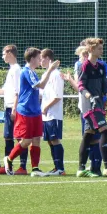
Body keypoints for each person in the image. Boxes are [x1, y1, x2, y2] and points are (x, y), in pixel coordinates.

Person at [68, 38, 107, 177]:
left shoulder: (100, 66)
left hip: (98, 104)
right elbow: (81, 86)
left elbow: (105, 86)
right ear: (91, 50)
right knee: (105, 132)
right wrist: (90, 97)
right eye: (99, 48)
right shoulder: (84, 66)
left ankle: (81, 169)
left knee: (88, 136)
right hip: (90, 106)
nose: (102, 50)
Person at [4, 47, 60, 176]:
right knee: (26, 141)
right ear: (33, 58)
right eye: (39, 58)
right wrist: (51, 69)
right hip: (26, 111)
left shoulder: (33, 72)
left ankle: (35, 168)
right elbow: (40, 85)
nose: (40, 60)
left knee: (36, 139)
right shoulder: (26, 71)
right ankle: (9, 159)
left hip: (35, 111)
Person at [0, 45, 28, 174]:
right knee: (8, 137)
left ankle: (23, 167)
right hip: (9, 107)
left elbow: (18, 91)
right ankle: (8, 166)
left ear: (10, 54)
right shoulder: (11, 69)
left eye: (4, 54)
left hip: (14, 108)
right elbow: (4, 90)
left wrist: (14, 108)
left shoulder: (17, 69)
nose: (2, 56)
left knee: (20, 138)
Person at [40, 48, 65, 176]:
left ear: (48, 58)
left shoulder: (55, 74)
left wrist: (45, 107)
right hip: (46, 115)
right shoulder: (45, 74)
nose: (40, 61)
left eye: (41, 58)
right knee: (50, 141)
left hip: (53, 114)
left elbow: (57, 96)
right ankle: (56, 167)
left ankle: (60, 168)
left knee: (55, 140)